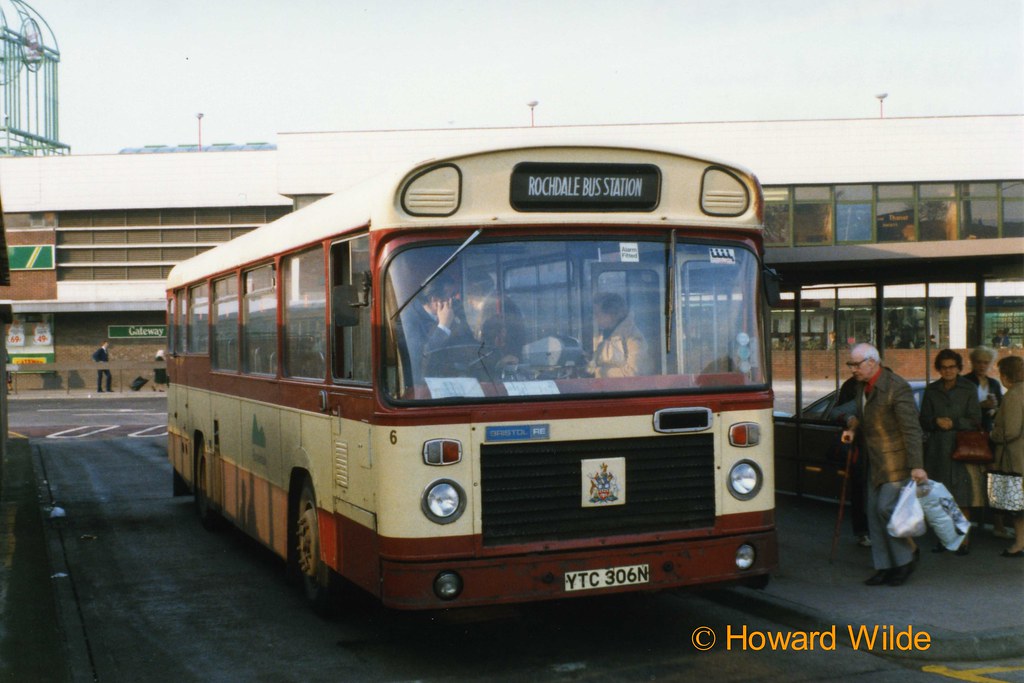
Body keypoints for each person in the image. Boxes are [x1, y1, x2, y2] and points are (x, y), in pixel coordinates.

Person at [841, 343, 927, 587]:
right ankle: (885, 566)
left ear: (872, 362)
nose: (853, 369)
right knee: (873, 514)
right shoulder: (862, 386)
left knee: (884, 509)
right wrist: (853, 427)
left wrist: (917, 465)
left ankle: (905, 559)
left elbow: (911, 429)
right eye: (850, 364)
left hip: (896, 462)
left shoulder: (896, 387)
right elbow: (865, 416)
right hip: (875, 460)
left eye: (856, 364)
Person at [920, 349, 983, 554]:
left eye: (952, 367)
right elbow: (923, 419)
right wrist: (935, 421)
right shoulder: (931, 390)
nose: (948, 371)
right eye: (944, 367)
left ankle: (963, 540)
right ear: (939, 369)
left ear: (958, 368)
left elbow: (976, 419)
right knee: (942, 497)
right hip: (938, 450)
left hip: (961, 449)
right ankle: (946, 538)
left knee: (961, 498)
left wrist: (954, 423)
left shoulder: (968, 388)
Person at [964, 346, 1011, 539]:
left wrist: (995, 409)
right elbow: (962, 410)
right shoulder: (965, 382)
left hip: (989, 436)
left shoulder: (993, 383)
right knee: (970, 482)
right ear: (972, 362)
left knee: (994, 479)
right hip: (970, 437)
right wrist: (982, 406)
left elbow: (1001, 408)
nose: (982, 366)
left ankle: (998, 524)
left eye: (986, 362)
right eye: (979, 362)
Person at [829, 375, 870, 547]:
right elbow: (836, 412)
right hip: (862, 449)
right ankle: (863, 531)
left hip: (883, 451)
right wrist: (849, 419)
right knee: (860, 489)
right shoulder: (856, 389)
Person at [990, 355, 1024, 557]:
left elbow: (1010, 431)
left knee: (1018, 506)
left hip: (1016, 458)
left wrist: (993, 434)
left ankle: (1019, 544)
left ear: (1005, 375)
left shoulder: (1013, 395)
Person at [590, 292, 652, 378]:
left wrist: (597, 373)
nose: (595, 318)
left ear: (611, 314)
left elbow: (633, 373)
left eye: (597, 314)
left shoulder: (633, 338)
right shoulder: (603, 336)